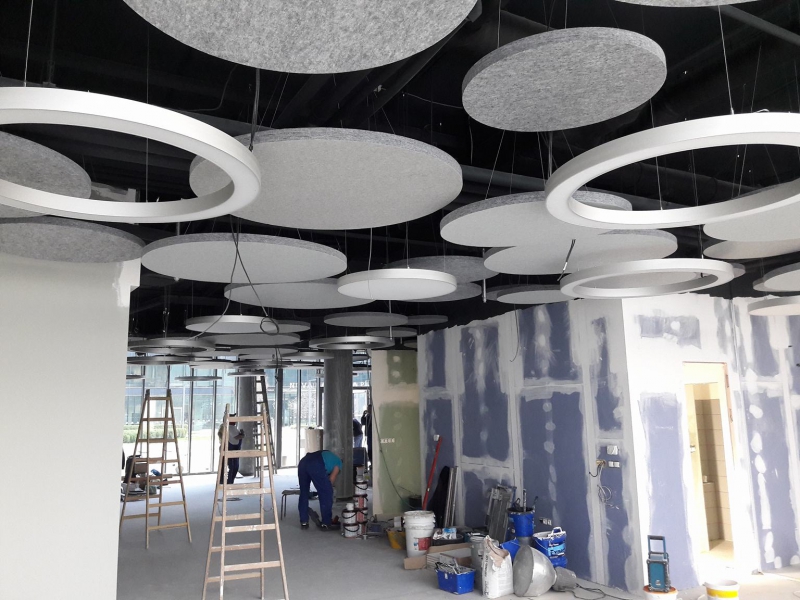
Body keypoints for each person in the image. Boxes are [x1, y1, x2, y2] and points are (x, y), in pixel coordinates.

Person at [297, 449, 342, 529]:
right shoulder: (339, 463)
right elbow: (331, 480)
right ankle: (326, 522)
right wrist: (328, 487)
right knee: (327, 492)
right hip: (316, 463)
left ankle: (304, 522)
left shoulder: (329, 457)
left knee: (304, 492)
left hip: (303, 462)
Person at [218, 417, 244, 485]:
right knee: (233, 467)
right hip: (230, 449)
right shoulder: (230, 428)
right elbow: (237, 437)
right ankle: (229, 481)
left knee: (227, 466)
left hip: (226, 448)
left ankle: (224, 481)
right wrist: (242, 435)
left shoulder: (224, 427)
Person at [361, 404, 373, 468]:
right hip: (369, 435)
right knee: (369, 450)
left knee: (372, 449)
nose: (368, 410)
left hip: (372, 435)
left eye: (369, 408)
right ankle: (371, 462)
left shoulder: (373, 416)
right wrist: (363, 415)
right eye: (367, 408)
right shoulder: (368, 416)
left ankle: (373, 462)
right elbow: (363, 423)